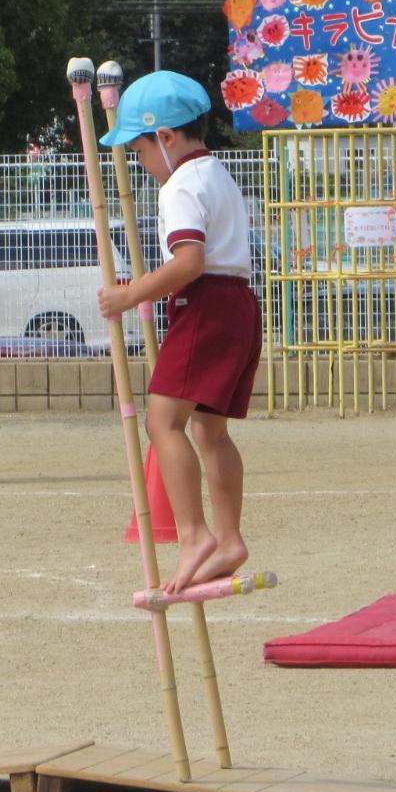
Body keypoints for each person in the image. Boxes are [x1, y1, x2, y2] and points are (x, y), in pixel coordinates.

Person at [96, 71, 260, 593]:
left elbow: (188, 261)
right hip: (239, 303)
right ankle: (229, 536)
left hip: (207, 303)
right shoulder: (218, 173)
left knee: (163, 423)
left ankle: (194, 535)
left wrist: (130, 294)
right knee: (210, 430)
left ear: (165, 138)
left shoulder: (181, 184)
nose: (141, 165)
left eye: (139, 151)